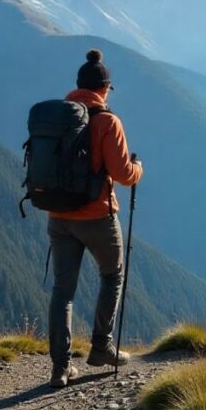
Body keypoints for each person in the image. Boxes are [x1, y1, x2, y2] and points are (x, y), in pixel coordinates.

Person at [48, 49, 143, 388]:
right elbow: (122, 172)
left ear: (77, 86)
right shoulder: (107, 121)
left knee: (63, 290)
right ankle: (101, 347)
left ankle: (60, 367)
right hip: (97, 216)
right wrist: (138, 171)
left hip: (58, 215)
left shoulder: (58, 117)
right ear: (104, 89)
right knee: (112, 274)